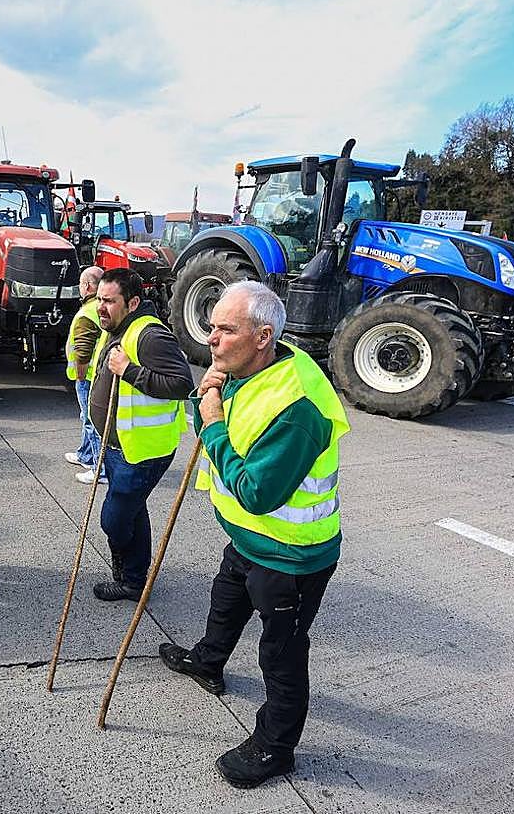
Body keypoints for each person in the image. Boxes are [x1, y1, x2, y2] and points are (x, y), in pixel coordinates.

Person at [159, 281, 347, 789]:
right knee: (225, 600)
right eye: (213, 326)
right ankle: (208, 661)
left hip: (290, 554)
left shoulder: (299, 405)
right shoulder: (247, 370)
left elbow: (258, 492)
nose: (211, 339)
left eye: (225, 329)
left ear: (263, 336)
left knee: (281, 653)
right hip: (249, 539)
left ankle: (275, 746)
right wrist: (217, 393)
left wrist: (212, 422)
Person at [88, 267, 193, 601]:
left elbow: (181, 384)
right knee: (133, 511)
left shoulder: (150, 335)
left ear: (132, 302)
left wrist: (129, 371)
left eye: (109, 301)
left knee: (114, 519)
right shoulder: (118, 326)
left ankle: (129, 573)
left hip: (142, 451)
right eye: (98, 299)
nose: (100, 307)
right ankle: (133, 578)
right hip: (120, 446)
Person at [64, 265, 104, 474]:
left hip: (87, 376)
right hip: (97, 374)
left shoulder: (87, 312)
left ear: (87, 286)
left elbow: (82, 350)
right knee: (86, 417)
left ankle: (99, 468)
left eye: (81, 284)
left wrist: (80, 376)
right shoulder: (103, 307)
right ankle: (85, 455)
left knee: (91, 420)